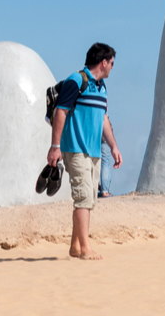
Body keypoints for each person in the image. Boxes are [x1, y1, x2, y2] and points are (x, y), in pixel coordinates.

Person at [47, 43, 123, 261]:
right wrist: (55, 147)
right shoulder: (76, 81)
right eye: (111, 63)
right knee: (83, 198)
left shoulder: (101, 88)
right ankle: (86, 248)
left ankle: (75, 245)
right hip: (75, 150)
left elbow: (104, 119)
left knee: (89, 198)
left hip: (94, 153)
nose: (112, 68)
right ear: (103, 62)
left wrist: (114, 146)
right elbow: (61, 112)